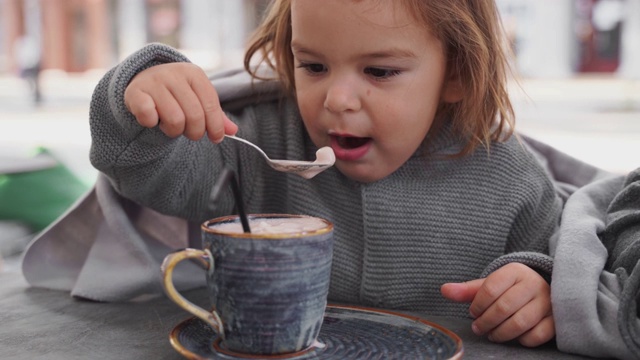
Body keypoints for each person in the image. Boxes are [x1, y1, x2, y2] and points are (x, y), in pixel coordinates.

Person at [89, 0, 562, 348]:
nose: (336, 99)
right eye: (313, 65)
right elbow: (145, 172)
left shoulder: (506, 174)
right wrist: (141, 93)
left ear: (456, 72)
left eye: (379, 70)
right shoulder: (260, 141)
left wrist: (536, 289)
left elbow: (552, 260)